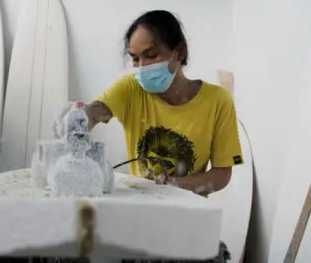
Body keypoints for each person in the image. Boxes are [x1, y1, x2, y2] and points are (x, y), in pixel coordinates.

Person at [55, 10, 243, 197]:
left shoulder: (218, 101)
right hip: (141, 207)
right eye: (135, 59)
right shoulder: (130, 89)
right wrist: (81, 116)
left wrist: (175, 185)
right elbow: (98, 111)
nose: (142, 67)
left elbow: (222, 175)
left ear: (179, 52)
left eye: (151, 55)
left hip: (188, 211)